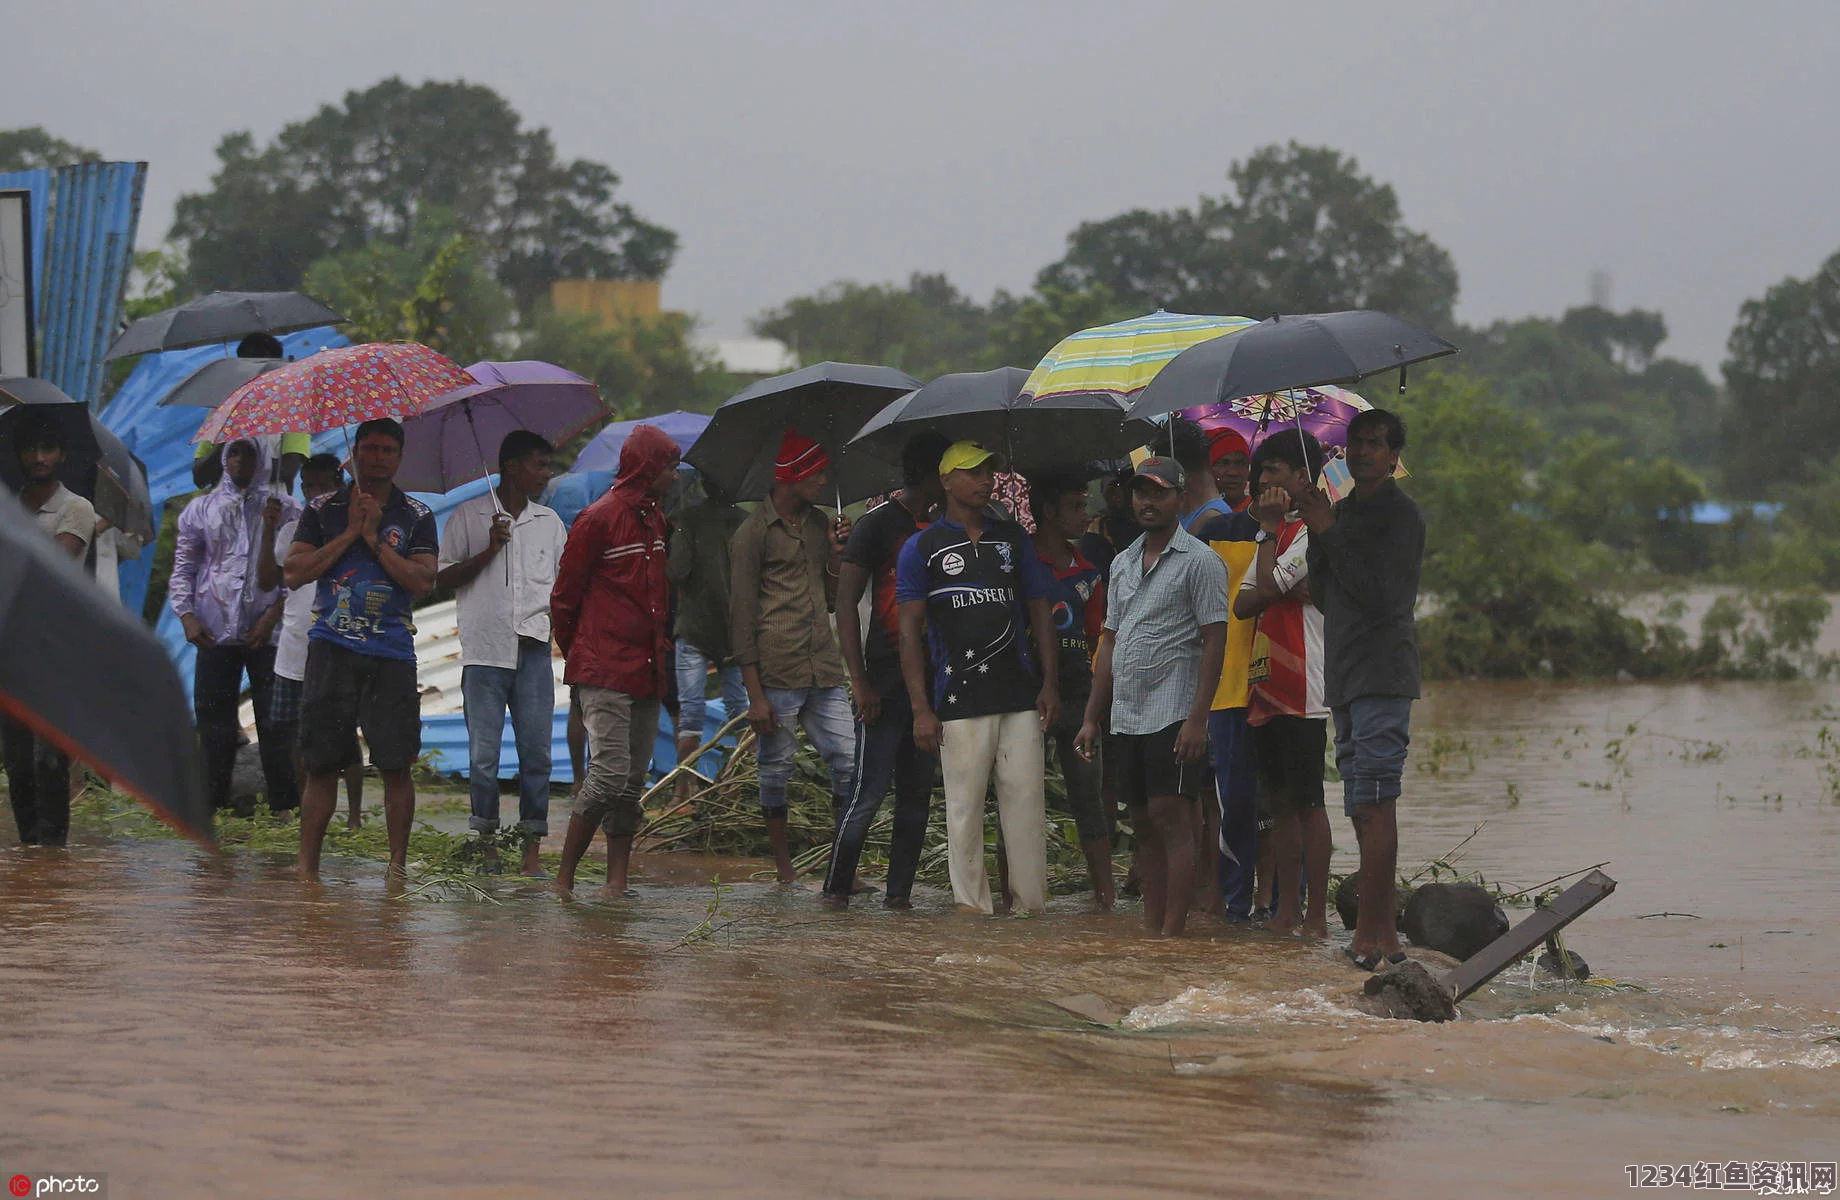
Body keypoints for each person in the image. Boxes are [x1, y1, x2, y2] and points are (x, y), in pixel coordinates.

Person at [895, 440, 1059, 916]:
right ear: (946, 481)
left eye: (989, 472)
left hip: (1019, 694)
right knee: (964, 812)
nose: (985, 480)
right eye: (973, 472)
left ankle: (1031, 911)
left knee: (1026, 808)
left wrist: (1049, 683)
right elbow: (909, 634)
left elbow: (1039, 609)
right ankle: (972, 913)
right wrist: (921, 709)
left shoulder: (1012, 539)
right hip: (958, 697)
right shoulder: (921, 548)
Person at [1077, 456, 1227, 937]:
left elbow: (1215, 641)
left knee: (1174, 819)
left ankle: (1173, 934)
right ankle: (1151, 931)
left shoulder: (1201, 562)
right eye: (1141, 492)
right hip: (1127, 716)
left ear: (1180, 499)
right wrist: (1089, 718)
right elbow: (1109, 643)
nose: (1147, 501)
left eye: (1159, 493)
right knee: (1141, 823)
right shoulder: (1121, 563)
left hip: (1174, 711)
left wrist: (1198, 721)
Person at [285, 418, 439, 880]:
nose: (377, 457)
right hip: (331, 647)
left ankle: (396, 869)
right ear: (354, 456)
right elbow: (294, 572)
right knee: (321, 764)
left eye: (387, 450)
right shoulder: (322, 508)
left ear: (399, 457)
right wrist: (350, 532)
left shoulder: (416, 515)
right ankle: (307, 869)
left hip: (391, 652)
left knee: (396, 765)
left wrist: (373, 539)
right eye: (369, 449)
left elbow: (423, 581)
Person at [1298, 409, 1424, 970]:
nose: (1364, 452)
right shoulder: (1341, 512)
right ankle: (1373, 935)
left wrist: (1330, 533)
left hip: (1383, 673)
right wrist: (1316, 532)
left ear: (1395, 456)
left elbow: (1383, 598)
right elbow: (1327, 596)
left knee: (1377, 803)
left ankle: (1380, 938)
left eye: (1375, 445)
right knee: (1359, 807)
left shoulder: (1402, 517)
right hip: (1345, 675)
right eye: (1357, 443)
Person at [549, 424, 679, 899]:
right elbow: (564, 599)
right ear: (649, 468)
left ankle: (616, 882)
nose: (677, 475)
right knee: (607, 774)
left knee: (631, 781)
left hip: (647, 666)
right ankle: (563, 879)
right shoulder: (598, 519)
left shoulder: (656, 520)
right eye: (670, 465)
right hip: (604, 666)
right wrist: (583, 658)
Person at [824, 431, 950, 908]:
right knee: (867, 795)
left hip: (932, 681)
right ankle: (834, 894)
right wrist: (858, 682)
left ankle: (899, 899)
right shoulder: (878, 525)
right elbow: (845, 603)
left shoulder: (944, 528)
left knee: (917, 797)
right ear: (934, 476)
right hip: (882, 677)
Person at [728, 429, 858, 885]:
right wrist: (754, 696)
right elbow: (741, 617)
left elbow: (831, 597)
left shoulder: (822, 526)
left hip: (823, 666)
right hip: (776, 671)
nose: (823, 482)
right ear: (794, 475)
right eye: (816, 473)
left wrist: (841, 556)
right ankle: (785, 871)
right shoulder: (751, 535)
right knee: (776, 770)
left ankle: (841, 867)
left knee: (848, 760)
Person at [436, 431, 567, 876]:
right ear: (511, 467)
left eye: (547, 465)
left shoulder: (549, 522)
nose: (545, 473)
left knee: (537, 755)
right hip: (484, 651)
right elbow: (443, 577)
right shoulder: (467, 517)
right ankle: (488, 844)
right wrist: (489, 549)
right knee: (483, 758)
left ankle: (531, 852)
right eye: (538, 464)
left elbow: (561, 588)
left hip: (532, 650)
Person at [1233, 429, 1332, 939]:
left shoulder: (1312, 533)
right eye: (1260, 472)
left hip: (1305, 685)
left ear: (1300, 477)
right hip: (1267, 683)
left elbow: (1266, 587)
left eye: (1272, 471)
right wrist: (1269, 538)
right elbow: (1245, 603)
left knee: (1308, 801)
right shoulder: (1278, 534)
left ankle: (1315, 917)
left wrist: (1268, 533)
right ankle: (1288, 911)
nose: (1262, 481)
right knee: (1281, 804)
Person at [170, 437, 300, 817]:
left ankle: (284, 809)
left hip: (268, 634)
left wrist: (271, 617)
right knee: (213, 724)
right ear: (224, 458)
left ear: (263, 459)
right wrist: (187, 616)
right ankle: (212, 807)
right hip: (212, 631)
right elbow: (184, 568)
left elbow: (296, 576)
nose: (241, 459)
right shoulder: (201, 510)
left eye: (250, 452)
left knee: (275, 724)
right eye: (235, 451)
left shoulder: (287, 509)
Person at [4, 411, 95, 846]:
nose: (38, 457)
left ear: (61, 456)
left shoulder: (76, 508)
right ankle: (29, 853)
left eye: (47, 449)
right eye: (31, 449)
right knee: (16, 758)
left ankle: (53, 852)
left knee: (49, 755)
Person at [261, 454, 363, 826]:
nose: (314, 494)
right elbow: (276, 580)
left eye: (323, 486)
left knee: (344, 734)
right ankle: (309, 811)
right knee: (295, 734)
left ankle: (353, 816)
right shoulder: (292, 530)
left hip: (339, 643)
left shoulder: (352, 528)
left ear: (340, 484)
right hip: (293, 645)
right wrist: (269, 529)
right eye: (308, 487)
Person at [1028, 470, 1114, 909]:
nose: (1086, 514)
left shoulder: (1089, 571)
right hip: (1028, 699)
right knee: (1021, 797)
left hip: (1081, 698)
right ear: (1048, 512)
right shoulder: (1021, 564)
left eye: (1085, 504)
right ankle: (1016, 897)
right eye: (1076, 506)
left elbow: (1100, 637)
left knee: (1089, 797)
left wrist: (1097, 704)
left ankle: (1105, 898)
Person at [1191, 456, 1264, 921]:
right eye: (1269, 473)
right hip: (1225, 687)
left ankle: (1283, 904)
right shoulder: (1215, 533)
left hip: (1286, 692)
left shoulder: (1306, 536)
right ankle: (1234, 905)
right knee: (1231, 804)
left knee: (1283, 805)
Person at [666, 476, 749, 803]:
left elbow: (675, 572)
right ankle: (739, 785)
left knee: (691, 712)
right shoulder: (747, 522)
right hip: (735, 632)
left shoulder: (690, 519)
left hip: (694, 628)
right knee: (740, 711)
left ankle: (683, 791)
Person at [1207, 427, 1253, 513]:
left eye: (1240, 463)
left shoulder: (1260, 511)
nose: (1233, 473)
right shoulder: (1194, 513)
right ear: (1207, 469)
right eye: (1224, 463)